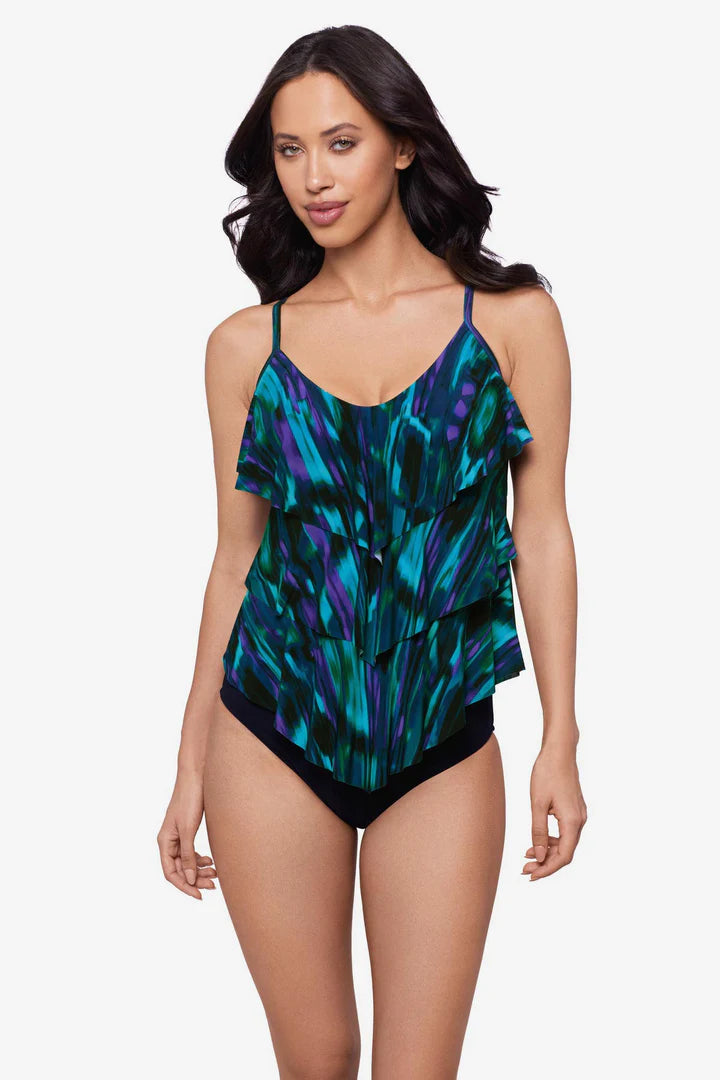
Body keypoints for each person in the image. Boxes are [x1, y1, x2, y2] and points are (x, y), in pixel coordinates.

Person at [157, 24, 587, 1078]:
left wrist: (561, 737)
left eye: (340, 143)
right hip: (270, 732)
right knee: (317, 1061)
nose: (313, 176)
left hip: (442, 740)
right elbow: (234, 562)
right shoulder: (244, 348)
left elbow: (540, 529)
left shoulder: (512, 322)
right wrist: (189, 764)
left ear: (402, 143)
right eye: (289, 149)